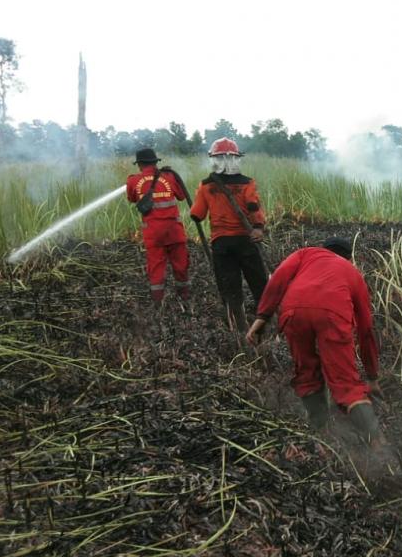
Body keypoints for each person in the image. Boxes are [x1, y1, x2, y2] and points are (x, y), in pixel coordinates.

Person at [245, 236, 382, 442]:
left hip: (293, 311)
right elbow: (366, 330)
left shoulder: (306, 254)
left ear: (323, 249)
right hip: (332, 315)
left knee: (306, 374)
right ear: (349, 258)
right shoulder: (353, 273)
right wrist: (372, 377)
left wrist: (262, 317)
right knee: (347, 385)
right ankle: (378, 443)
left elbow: (278, 280)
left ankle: (321, 434)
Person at [189, 138, 268, 331]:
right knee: (259, 282)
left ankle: (238, 326)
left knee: (229, 286)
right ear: (235, 158)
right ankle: (267, 321)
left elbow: (197, 214)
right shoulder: (247, 183)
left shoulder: (206, 185)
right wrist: (258, 228)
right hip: (246, 241)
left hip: (221, 244)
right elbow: (253, 206)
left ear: (214, 159)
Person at [126, 148, 190, 303]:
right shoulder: (169, 176)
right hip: (174, 231)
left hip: (153, 234)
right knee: (181, 265)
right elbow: (182, 196)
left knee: (156, 269)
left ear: (139, 164)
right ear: (155, 162)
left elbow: (132, 198)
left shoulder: (133, 181)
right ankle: (185, 298)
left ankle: (158, 304)